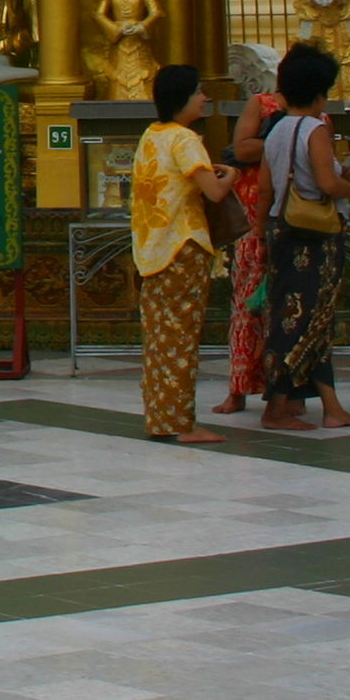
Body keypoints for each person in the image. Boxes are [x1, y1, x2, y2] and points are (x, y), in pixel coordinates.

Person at [260, 43, 350, 433]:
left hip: (282, 229)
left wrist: (262, 234)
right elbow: (327, 183)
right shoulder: (314, 129)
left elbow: (263, 188)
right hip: (315, 234)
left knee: (304, 317)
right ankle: (276, 406)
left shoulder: (275, 129)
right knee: (305, 319)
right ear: (320, 91)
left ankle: (330, 405)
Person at [132, 64, 234, 446]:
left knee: (160, 341)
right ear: (183, 98)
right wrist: (233, 176)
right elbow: (215, 193)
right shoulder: (185, 139)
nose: (205, 98)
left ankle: (162, 418)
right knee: (181, 341)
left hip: (153, 250)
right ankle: (184, 425)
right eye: (199, 92)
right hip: (182, 248)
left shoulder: (150, 135)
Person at [212, 75, 286, 416]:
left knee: (287, 311)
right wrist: (281, 138)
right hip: (252, 217)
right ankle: (238, 388)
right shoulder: (263, 104)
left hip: (292, 218)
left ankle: (285, 390)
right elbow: (242, 148)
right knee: (246, 306)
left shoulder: (317, 116)